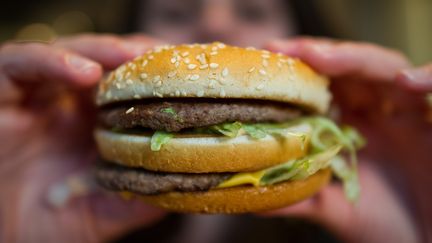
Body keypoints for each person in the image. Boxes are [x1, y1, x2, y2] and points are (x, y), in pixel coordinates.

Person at [1, 0, 431, 242]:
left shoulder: (376, 209)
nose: (214, 23)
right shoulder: (51, 197)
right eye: (176, 11)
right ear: (130, 37)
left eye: (251, 10)